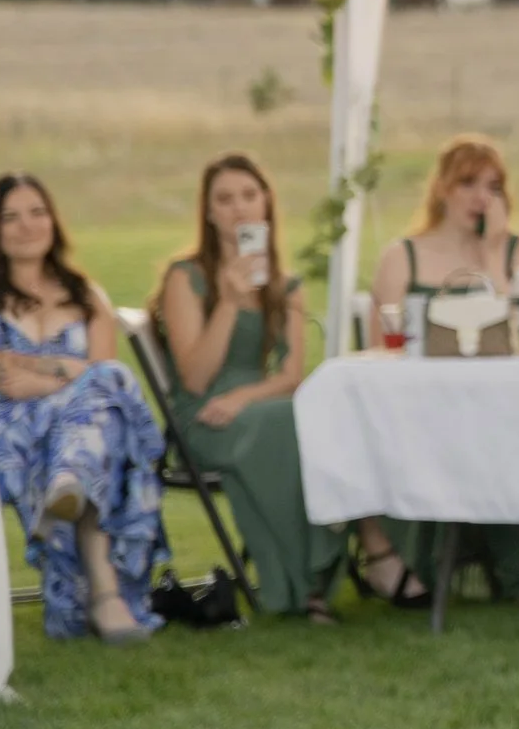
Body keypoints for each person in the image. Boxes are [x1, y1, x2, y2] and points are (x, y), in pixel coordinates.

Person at [157, 153, 420, 622]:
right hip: (204, 414)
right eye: (224, 199)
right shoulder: (186, 278)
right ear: (209, 212)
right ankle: (322, 577)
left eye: (248, 196)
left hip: (262, 404)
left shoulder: (286, 286)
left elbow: (290, 375)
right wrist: (230, 302)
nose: (238, 208)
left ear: (266, 205)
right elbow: (194, 378)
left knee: (331, 415)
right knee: (293, 424)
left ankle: (369, 548)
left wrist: (244, 396)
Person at [0, 174, 166, 643]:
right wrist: (68, 368)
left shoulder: (87, 295)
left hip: (76, 430)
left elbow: (104, 386)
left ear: (53, 220)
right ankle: (106, 595)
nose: (27, 225)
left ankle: (70, 488)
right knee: (97, 409)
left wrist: (45, 376)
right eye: (11, 217)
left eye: (37, 212)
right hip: (5, 431)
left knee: (102, 406)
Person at [368, 134, 519, 600]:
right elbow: (379, 351)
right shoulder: (401, 255)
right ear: (442, 188)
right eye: (467, 183)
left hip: (504, 409)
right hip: (419, 407)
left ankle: (514, 567)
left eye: (493, 186)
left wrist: (490, 254)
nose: (480, 197)